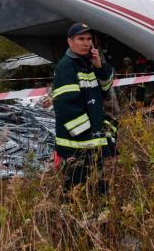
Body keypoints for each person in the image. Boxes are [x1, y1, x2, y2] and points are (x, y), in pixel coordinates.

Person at [52, 22, 116, 193]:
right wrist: (88, 133)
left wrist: (99, 66)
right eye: (81, 39)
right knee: (76, 191)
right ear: (70, 42)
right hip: (77, 145)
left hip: (92, 142)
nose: (86, 43)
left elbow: (106, 87)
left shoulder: (88, 64)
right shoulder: (66, 67)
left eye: (89, 39)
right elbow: (66, 106)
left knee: (98, 189)